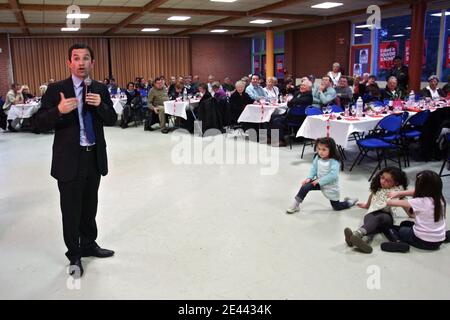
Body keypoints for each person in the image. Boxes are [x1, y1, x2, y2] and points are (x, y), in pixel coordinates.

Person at [31, 43, 117, 278]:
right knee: (70, 210)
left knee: (90, 207)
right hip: (69, 159)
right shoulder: (56, 89)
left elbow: (112, 119)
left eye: (86, 58)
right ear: (69, 63)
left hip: (94, 157)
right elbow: (37, 122)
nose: (81, 62)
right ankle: (74, 254)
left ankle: (89, 244)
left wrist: (101, 106)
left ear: (92, 63)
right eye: (76, 58)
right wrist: (58, 110)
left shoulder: (100, 88)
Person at [380, 170, 449, 252]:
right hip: (439, 239)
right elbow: (416, 192)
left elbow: (390, 202)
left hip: (422, 241)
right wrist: (398, 193)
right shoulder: (439, 198)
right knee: (405, 223)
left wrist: (389, 195)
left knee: (386, 227)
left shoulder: (420, 202)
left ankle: (398, 242)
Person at [344, 167, 408, 254]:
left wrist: (411, 214)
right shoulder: (377, 188)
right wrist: (366, 205)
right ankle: (356, 239)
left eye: (387, 181)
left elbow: (404, 202)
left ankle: (356, 234)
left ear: (396, 183)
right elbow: (372, 196)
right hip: (372, 214)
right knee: (372, 222)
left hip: (386, 217)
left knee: (379, 218)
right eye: (382, 178)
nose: (383, 181)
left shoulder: (397, 191)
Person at [286, 137, 358, 213]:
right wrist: (309, 178)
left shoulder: (334, 161)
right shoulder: (317, 157)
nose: (320, 152)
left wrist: (319, 181)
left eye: (324, 149)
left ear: (331, 150)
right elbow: (314, 168)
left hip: (330, 186)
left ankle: (350, 202)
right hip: (319, 182)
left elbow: (333, 175)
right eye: (319, 149)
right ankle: (295, 206)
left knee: (336, 207)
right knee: (305, 186)